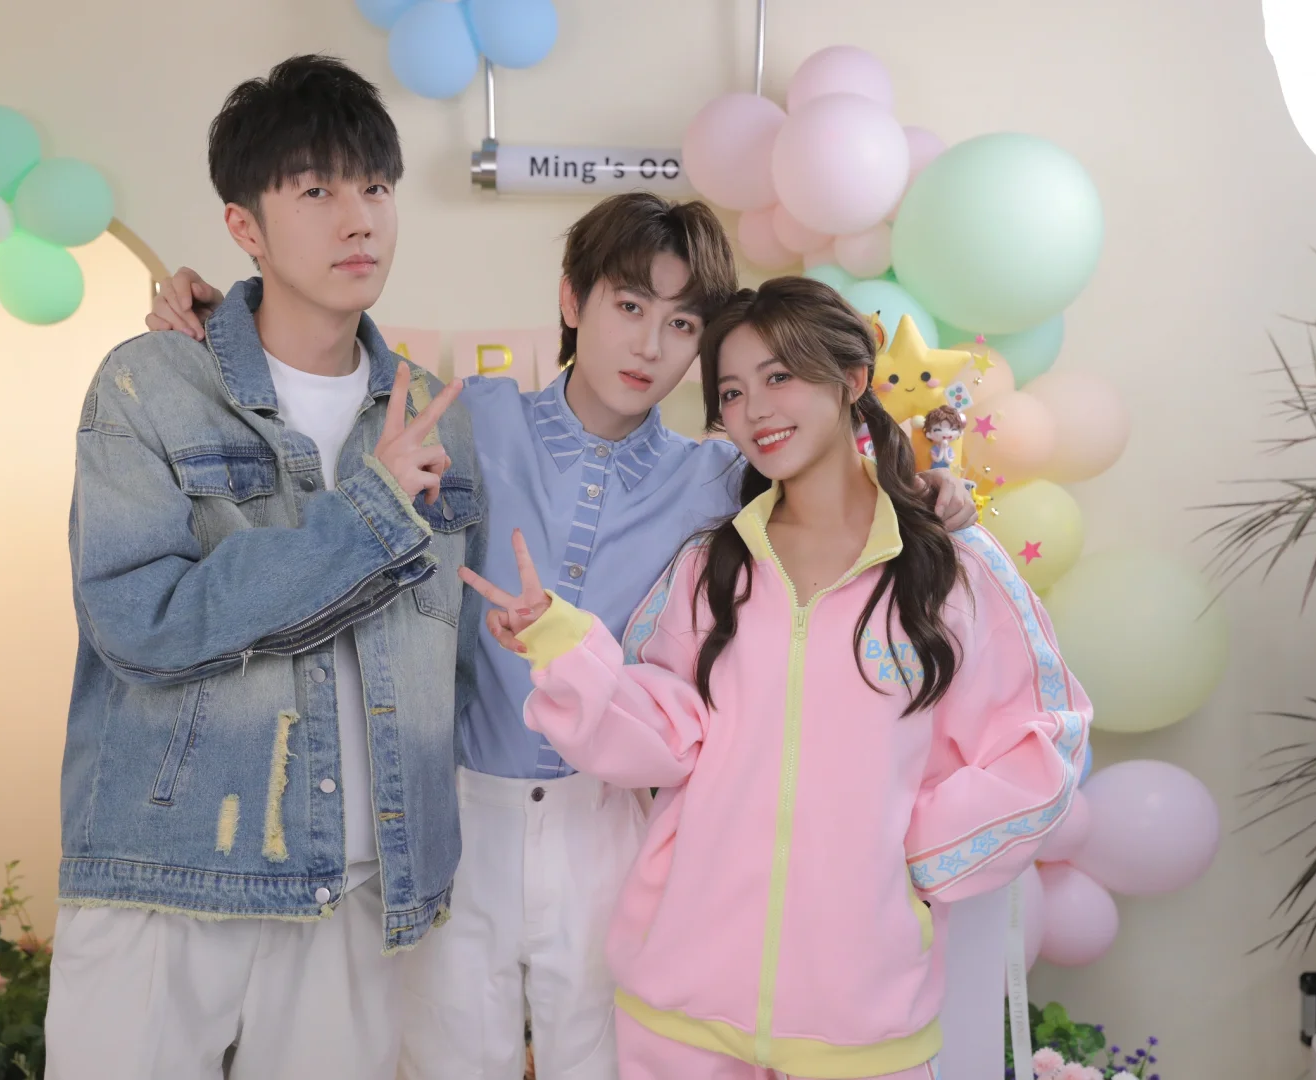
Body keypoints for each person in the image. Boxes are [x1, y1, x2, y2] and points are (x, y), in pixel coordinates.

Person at [147, 196, 976, 1080]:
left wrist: (926, 496)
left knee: (605, 1059)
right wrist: (220, 318)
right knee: (447, 1061)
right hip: (456, 807)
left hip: (609, 821)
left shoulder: (720, 478)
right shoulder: (467, 416)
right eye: (629, 306)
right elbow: (323, 378)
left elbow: (826, 476)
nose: (650, 346)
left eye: (681, 323)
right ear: (572, 300)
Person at [462, 277, 1090, 1080]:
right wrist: (560, 641)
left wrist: (906, 853)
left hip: (859, 1028)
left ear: (851, 380)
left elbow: (1043, 740)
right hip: (678, 1010)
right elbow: (663, 731)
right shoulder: (712, 565)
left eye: (778, 376)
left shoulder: (948, 568)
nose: (754, 410)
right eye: (731, 392)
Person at [46, 55, 483, 1080]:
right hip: (168, 875)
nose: (359, 220)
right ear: (244, 225)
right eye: (316, 191)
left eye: (375, 187)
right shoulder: (152, 385)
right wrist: (369, 512)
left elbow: (451, 666)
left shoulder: (432, 413)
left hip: (359, 888)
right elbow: (143, 625)